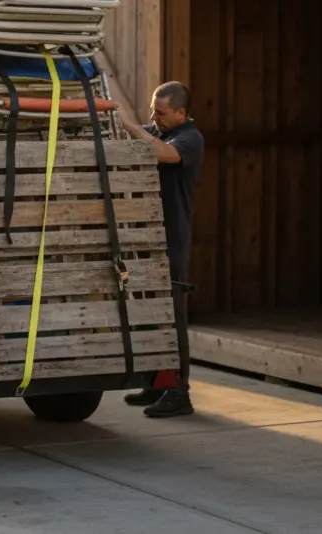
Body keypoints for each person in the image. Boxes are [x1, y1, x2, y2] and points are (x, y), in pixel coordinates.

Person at [118, 81, 204, 418]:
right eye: (153, 110)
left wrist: (127, 124)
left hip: (173, 239)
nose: (155, 117)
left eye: (162, 113)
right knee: (150, 312)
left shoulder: (189, 139)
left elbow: (162, 153)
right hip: (148, 238)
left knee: (173, 316)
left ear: (181, 113)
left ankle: (179, 391)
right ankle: (156, 382)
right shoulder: (160, 131)